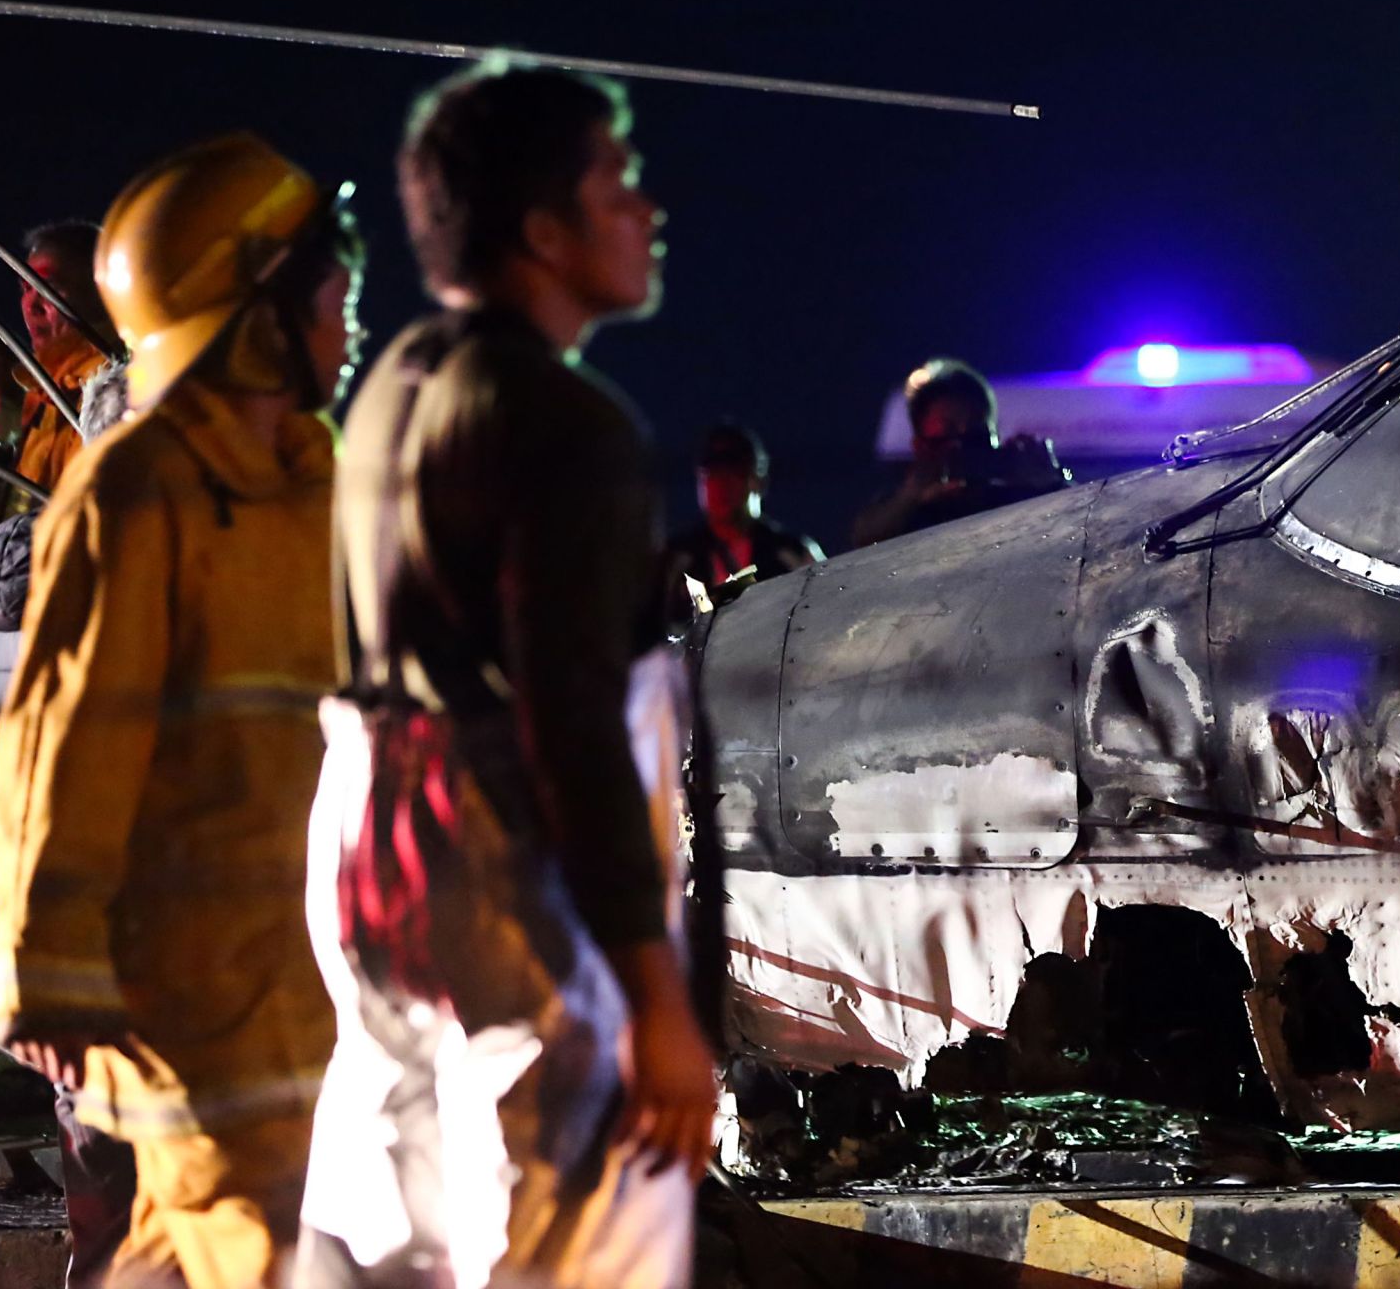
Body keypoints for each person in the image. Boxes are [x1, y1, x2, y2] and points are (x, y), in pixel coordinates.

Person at [298, 64, 713, 1288]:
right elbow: (573, 724)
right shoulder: (563, 422)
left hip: (366, 844)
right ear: (543, 230)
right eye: (616, 182)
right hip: (500, 861)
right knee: (581, 1220)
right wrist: (657, 1002)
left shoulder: (392, 388)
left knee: (392, 1232)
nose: (648, 210)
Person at [0, 134, 362, 1288]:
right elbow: (61, 735)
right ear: (244, 309)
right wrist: (42, 965)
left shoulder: (322, 483)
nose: (347, 334)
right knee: (241, 1241)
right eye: (330, 303)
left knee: (212, 1246)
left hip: (306, 968)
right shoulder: (138, 487)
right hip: (172, 986)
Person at [849, 356, 1066, 547]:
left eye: (976, 428)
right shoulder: (909, 514)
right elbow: (865, 539)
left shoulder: (1022, 502)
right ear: (920, 446)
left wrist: (1051, 482)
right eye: (947, 430)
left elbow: (1083, 528)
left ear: (995, 436)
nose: (963, 443)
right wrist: (912, 494)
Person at [665, 421, 821, 621]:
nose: (721, 485)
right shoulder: (676, 558)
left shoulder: (793, 553)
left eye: (734, 474)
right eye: (712, 474)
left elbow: (822, 613)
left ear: (759, 481)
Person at [13, 223, 115, 502]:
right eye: (25, 287)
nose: (30, 305)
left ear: (99, 292)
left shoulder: (114, 392)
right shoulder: (42, 393)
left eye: (47, 286)